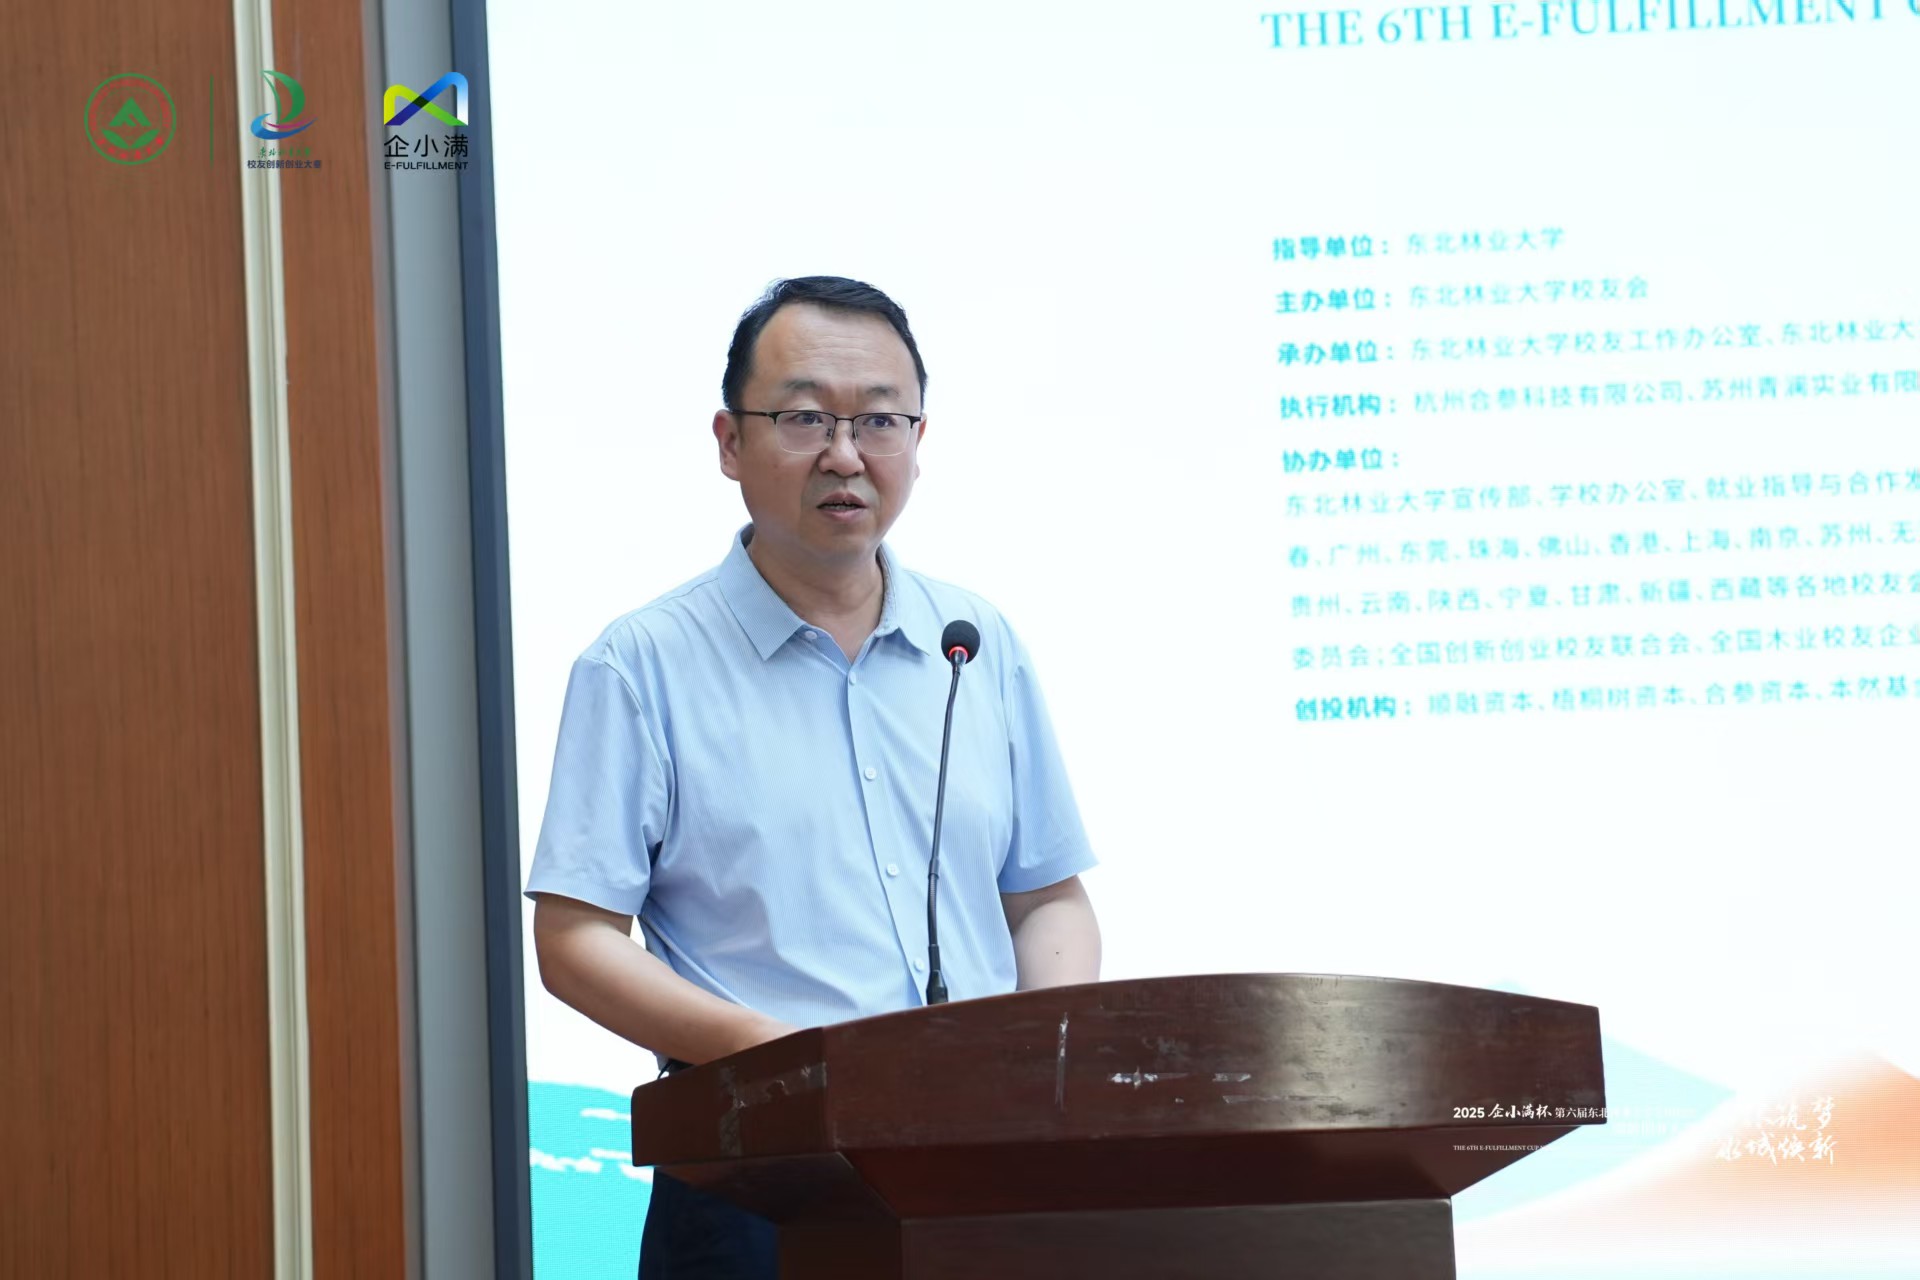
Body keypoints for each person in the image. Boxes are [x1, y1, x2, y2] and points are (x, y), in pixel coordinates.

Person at [525, 276, 1102, 1279]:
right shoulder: (641, 665)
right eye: (804, 418)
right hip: (758, 1171)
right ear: (729, 441)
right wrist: (791, 1059)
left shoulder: (975, 643)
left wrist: (1033, 1054)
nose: (846, 453)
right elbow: (575, 940)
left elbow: (1048, 895)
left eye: (878, 419)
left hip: (979, 1164)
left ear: (917, 439)